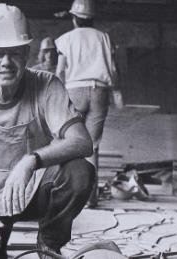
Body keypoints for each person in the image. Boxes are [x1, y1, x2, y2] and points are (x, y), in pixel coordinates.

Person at [0, 3, 95, 259]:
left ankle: (48, 246)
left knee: (79, 172)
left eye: (15, 53)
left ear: (27, 53)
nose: (7, 62)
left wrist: (30, 161)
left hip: (37, 188)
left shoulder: (46, 85)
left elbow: (82, 141)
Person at [55, 0, 118, 207]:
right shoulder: (104, 38)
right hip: (100, 90)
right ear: (92, 18)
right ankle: (90, 199)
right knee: (93, 145)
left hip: (74, 89)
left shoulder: (65, 39)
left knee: (69, 141)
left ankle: (67, 195)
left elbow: (59, 72)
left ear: (74, 18)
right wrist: (117, 93)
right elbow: (114, 70)